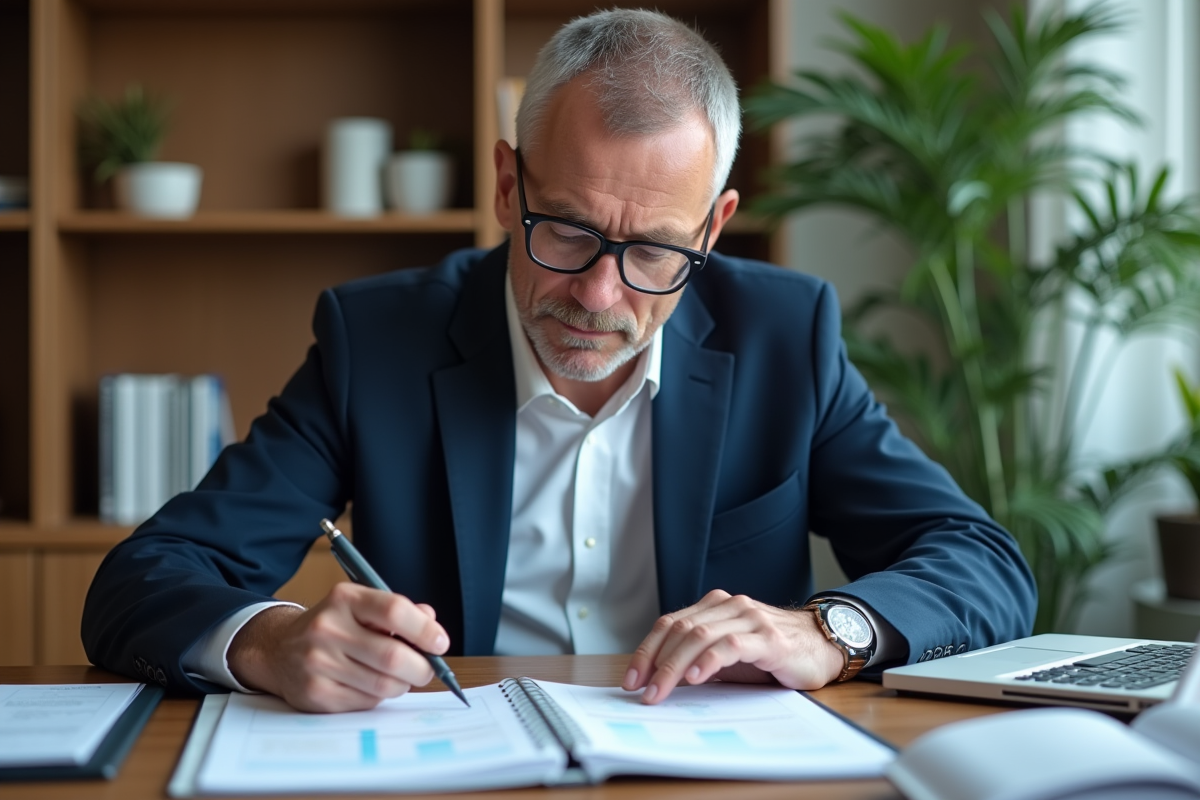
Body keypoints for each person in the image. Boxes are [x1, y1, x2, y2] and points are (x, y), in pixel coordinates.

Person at [82, 8, 1036, 713]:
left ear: (716, 225)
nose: (599, 295)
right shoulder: (377, 340)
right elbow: (144, 579)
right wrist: (269, 640)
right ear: (507, 186)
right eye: (567, 232)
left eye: (657, 250)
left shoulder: (786, 336)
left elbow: (983, 563)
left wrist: (827, 631)